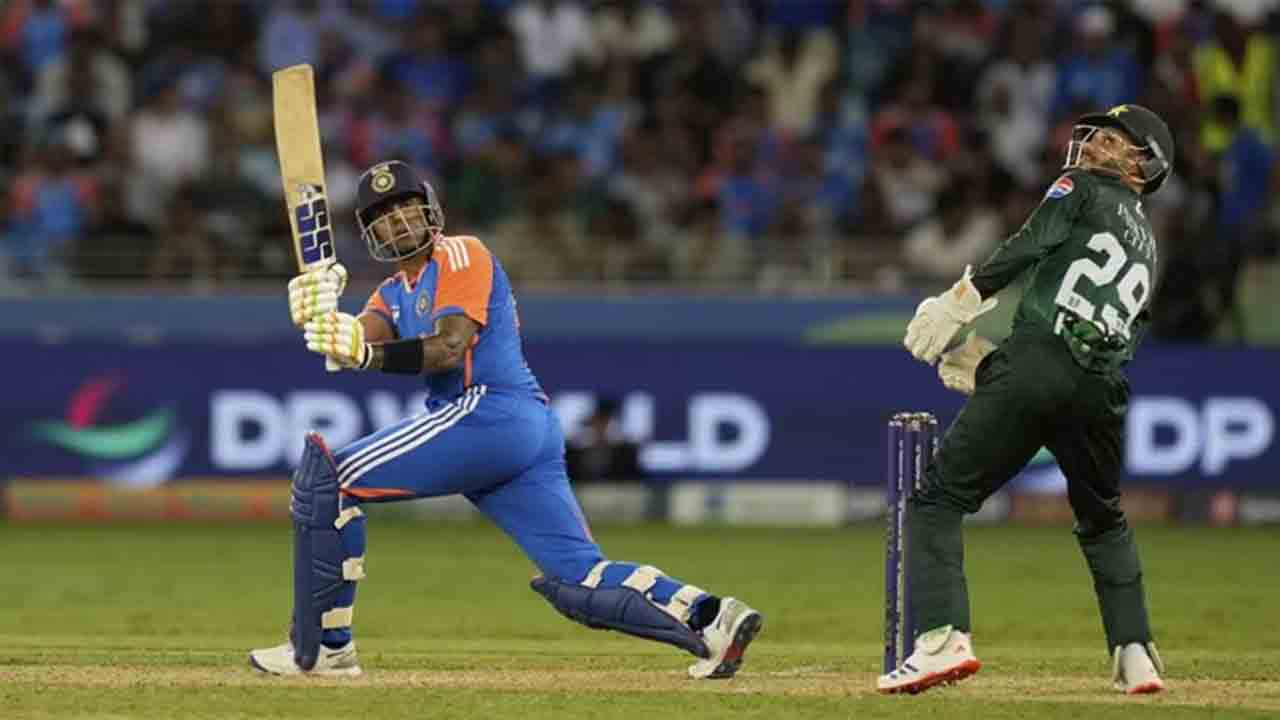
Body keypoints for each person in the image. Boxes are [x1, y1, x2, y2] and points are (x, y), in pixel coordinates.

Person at [249, 160, 761, 679]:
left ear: (430, 209)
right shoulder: (392, 291)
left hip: (489, 411)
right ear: (371, 233)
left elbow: (449, 347)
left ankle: (323, 647)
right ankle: (712, 618)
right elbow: (356, 341)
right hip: (515, 432)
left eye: (407, 205)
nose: (399, 220)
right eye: (384, 214)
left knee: (328, 481)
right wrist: (324, 318)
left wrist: (361, 353)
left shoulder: (461, 253)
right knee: (579, 581)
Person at [885, 105, 1174, 695]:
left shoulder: (1081, 187)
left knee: (937, 500)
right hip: (1103, 388)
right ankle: (1135, 653)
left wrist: (960, 302)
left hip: (1039, 359)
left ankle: (942, 640)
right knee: (1104, 520)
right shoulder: (1149, 245)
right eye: (1094, 136)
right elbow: (1106, 345)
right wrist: (998, 369)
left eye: (1111, 140)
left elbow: (1028, 244)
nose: (1091, 145)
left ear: (1142, 165)